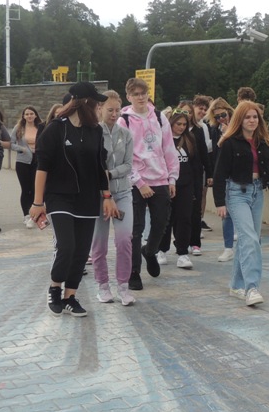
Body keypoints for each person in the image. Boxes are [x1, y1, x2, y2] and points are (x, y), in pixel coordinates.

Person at [29, 82, 117, 317]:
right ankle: (54, 288)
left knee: (81, 251)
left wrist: (107, 196)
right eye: (97, 103)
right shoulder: (55, 129)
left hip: (87, 198)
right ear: (85, 102)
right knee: (66, 246)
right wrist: (37, 202)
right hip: (59, 197)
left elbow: (100, 167)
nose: (99, 107)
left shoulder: (95, 131)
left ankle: (70, 296)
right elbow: (42, 167)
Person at [213, 100, 269, 306]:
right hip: (237, 193)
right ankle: (252, 287)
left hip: (257, 192)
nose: (252, 120)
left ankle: (237, 285)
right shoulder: (229, 143)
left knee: (250, 240)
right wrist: (220, 202)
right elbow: (219, 174)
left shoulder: (264, 143)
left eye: (255, 117)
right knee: (249, 238)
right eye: (247, 117)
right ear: (240, 119)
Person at [118, 78, 178, 291]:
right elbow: (122, 156)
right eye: (135, 94)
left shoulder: (160, 117)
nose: (140, 97)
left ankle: (150, 251)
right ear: (129, 97)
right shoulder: (124, 121)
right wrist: (139, 182)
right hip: (135, 182)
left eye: (143, 93)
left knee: (161, 223)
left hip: (160, 179)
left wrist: (172, 178)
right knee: (135, 229)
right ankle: (134, 272)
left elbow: (169, 149)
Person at [89, 90, 135, 305]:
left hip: (123, 192)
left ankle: (124, 286)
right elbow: (93, 165)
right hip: (98, 196)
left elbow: (128, 165)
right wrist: (103, 177)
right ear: (100, 109)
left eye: (117, 110)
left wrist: (110, 173)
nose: (114, 114)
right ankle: (103, 285)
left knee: (124, 239)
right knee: (99, 243)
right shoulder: (92, 133)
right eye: (110, 110)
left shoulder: (126, 134)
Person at [159, 109, 203, 269]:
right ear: (171, 123)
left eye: (184, 124)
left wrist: (197, 189)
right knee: (165, 219)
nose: (182, 127)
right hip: (166, 184)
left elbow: (196, 165)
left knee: (184, 218)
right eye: (178, 124)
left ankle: (182, 252)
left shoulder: (190, 139)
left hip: (186, 185)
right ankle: (161, 250)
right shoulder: (163, 139)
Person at [206, 97, 236, 262]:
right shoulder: (215, 130)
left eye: (223, 115)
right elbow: (215, 152)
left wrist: (228, 132)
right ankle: (228, 248)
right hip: (223, 175)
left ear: (229, 112)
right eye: (217, 117)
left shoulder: (238, 126)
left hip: (238, 175)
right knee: (226, 213)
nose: (221, 119)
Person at [12, 106, 43, 228]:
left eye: (31, 114)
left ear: (35, 115)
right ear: (23, 116)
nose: (29, 116)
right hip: (23, 162)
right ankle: (26, 215)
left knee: (36, 189)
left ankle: (36, 215)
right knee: (26, 189)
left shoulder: (40, 127)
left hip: (37, 160)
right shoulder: (19, 128)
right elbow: (11, 143)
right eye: (27, 114)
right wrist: (22, 149)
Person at [192, 94, 216, 237]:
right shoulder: (184, 124)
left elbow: (206, 150)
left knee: (201, 195)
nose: (202, 112)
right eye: (200, 108)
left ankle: (198, 223)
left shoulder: (203, 127)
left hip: (199, 167)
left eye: (205, 110)